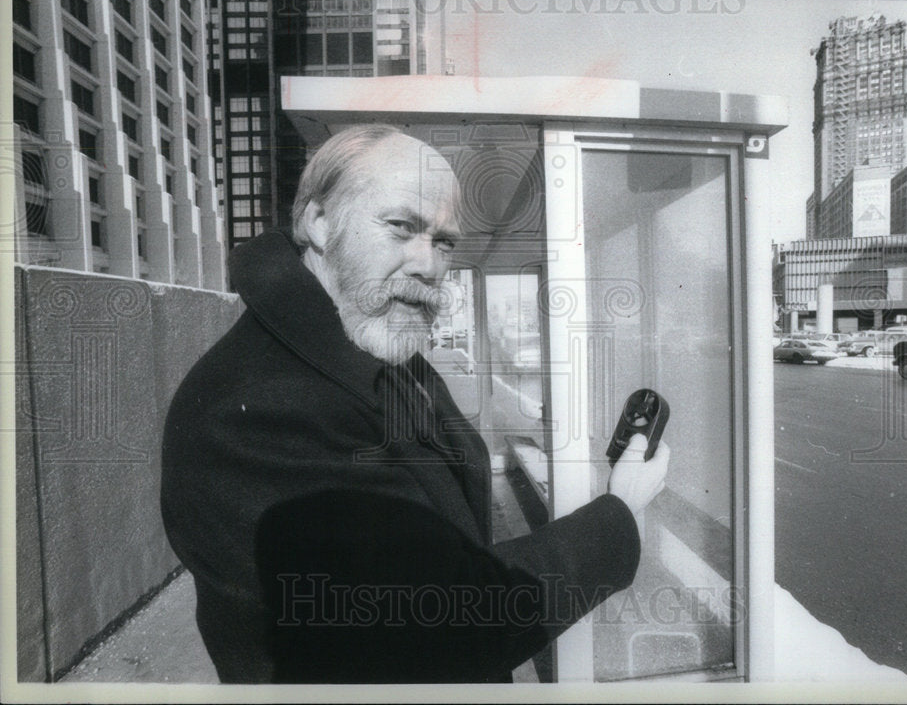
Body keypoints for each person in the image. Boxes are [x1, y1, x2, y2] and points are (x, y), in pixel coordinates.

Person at [160, 124, 670, 683]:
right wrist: (618, 514)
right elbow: (441, 619)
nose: (429, 264)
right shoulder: (252, 411)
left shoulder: (371, 341)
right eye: (401, 226)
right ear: (318, 221)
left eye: (444, 241)